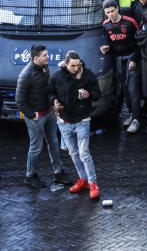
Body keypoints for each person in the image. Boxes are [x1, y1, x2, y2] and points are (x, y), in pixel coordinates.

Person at [15, 44, 70, 188]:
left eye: (47, 54)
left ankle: (58, 173)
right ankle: (30, 176)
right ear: (35, 58)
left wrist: (53, 104)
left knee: (54, 143)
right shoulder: (25, 75)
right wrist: (32, 116)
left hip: (49, 112)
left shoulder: (44, 67)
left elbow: (48, 88)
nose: (48, 57)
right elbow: (19, 100)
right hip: (36, 117)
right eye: (44, 55)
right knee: (36, 147)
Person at [48, 50, 101, 199]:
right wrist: (54, 102)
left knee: (84, 153)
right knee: (73, 153)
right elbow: (50, 92)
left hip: (82, 119)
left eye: (78, 65)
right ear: (66, 64)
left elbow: (98, 93)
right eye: (73, 66)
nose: (76, 68)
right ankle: (82, 179)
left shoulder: (87, 74)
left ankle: (92, 183)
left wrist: (89, 94)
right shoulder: (57, 76)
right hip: (64, 121)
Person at [100, 0, 141, 133]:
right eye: (107, 13)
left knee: (133, 88)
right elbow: (110, 42)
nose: (110, 15)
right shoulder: (105, 25)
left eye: (112, 11)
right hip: (118, 59)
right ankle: (131, 113)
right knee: (124, 88)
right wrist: (107, 48)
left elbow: (140, 41)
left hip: (131, 57)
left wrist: (135, 59)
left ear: (117, 8)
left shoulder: (130, 22)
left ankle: (136, 119)